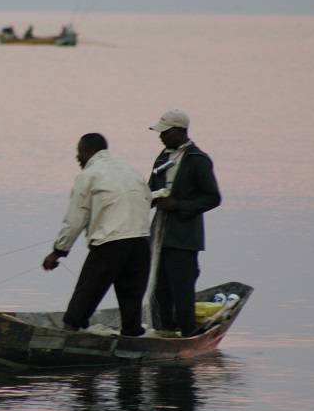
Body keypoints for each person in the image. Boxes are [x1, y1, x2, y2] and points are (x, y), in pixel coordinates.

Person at [42, 133, 153, 336]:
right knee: (132, 298)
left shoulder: (89, 175)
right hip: (141, 242)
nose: (77, 157)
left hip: (110, 243)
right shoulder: (132, 171)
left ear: (88, 151)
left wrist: (58, 252)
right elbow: (148, 199)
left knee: (87, 291)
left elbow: (75, 219)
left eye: (79, 152)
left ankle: (68, 334)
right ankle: (132, 338)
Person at [147, 109, 221, 336]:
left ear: (180, 131)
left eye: (165, 132)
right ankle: (163, 332)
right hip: (160, 235)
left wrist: (178, 205)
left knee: (182, 289)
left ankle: (187, 333)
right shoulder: (162, 157)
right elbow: (150, 188)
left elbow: (213, 198)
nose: (161, 137)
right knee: (159, 290)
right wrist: (150, 199)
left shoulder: (198, 160)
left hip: (184, 237)